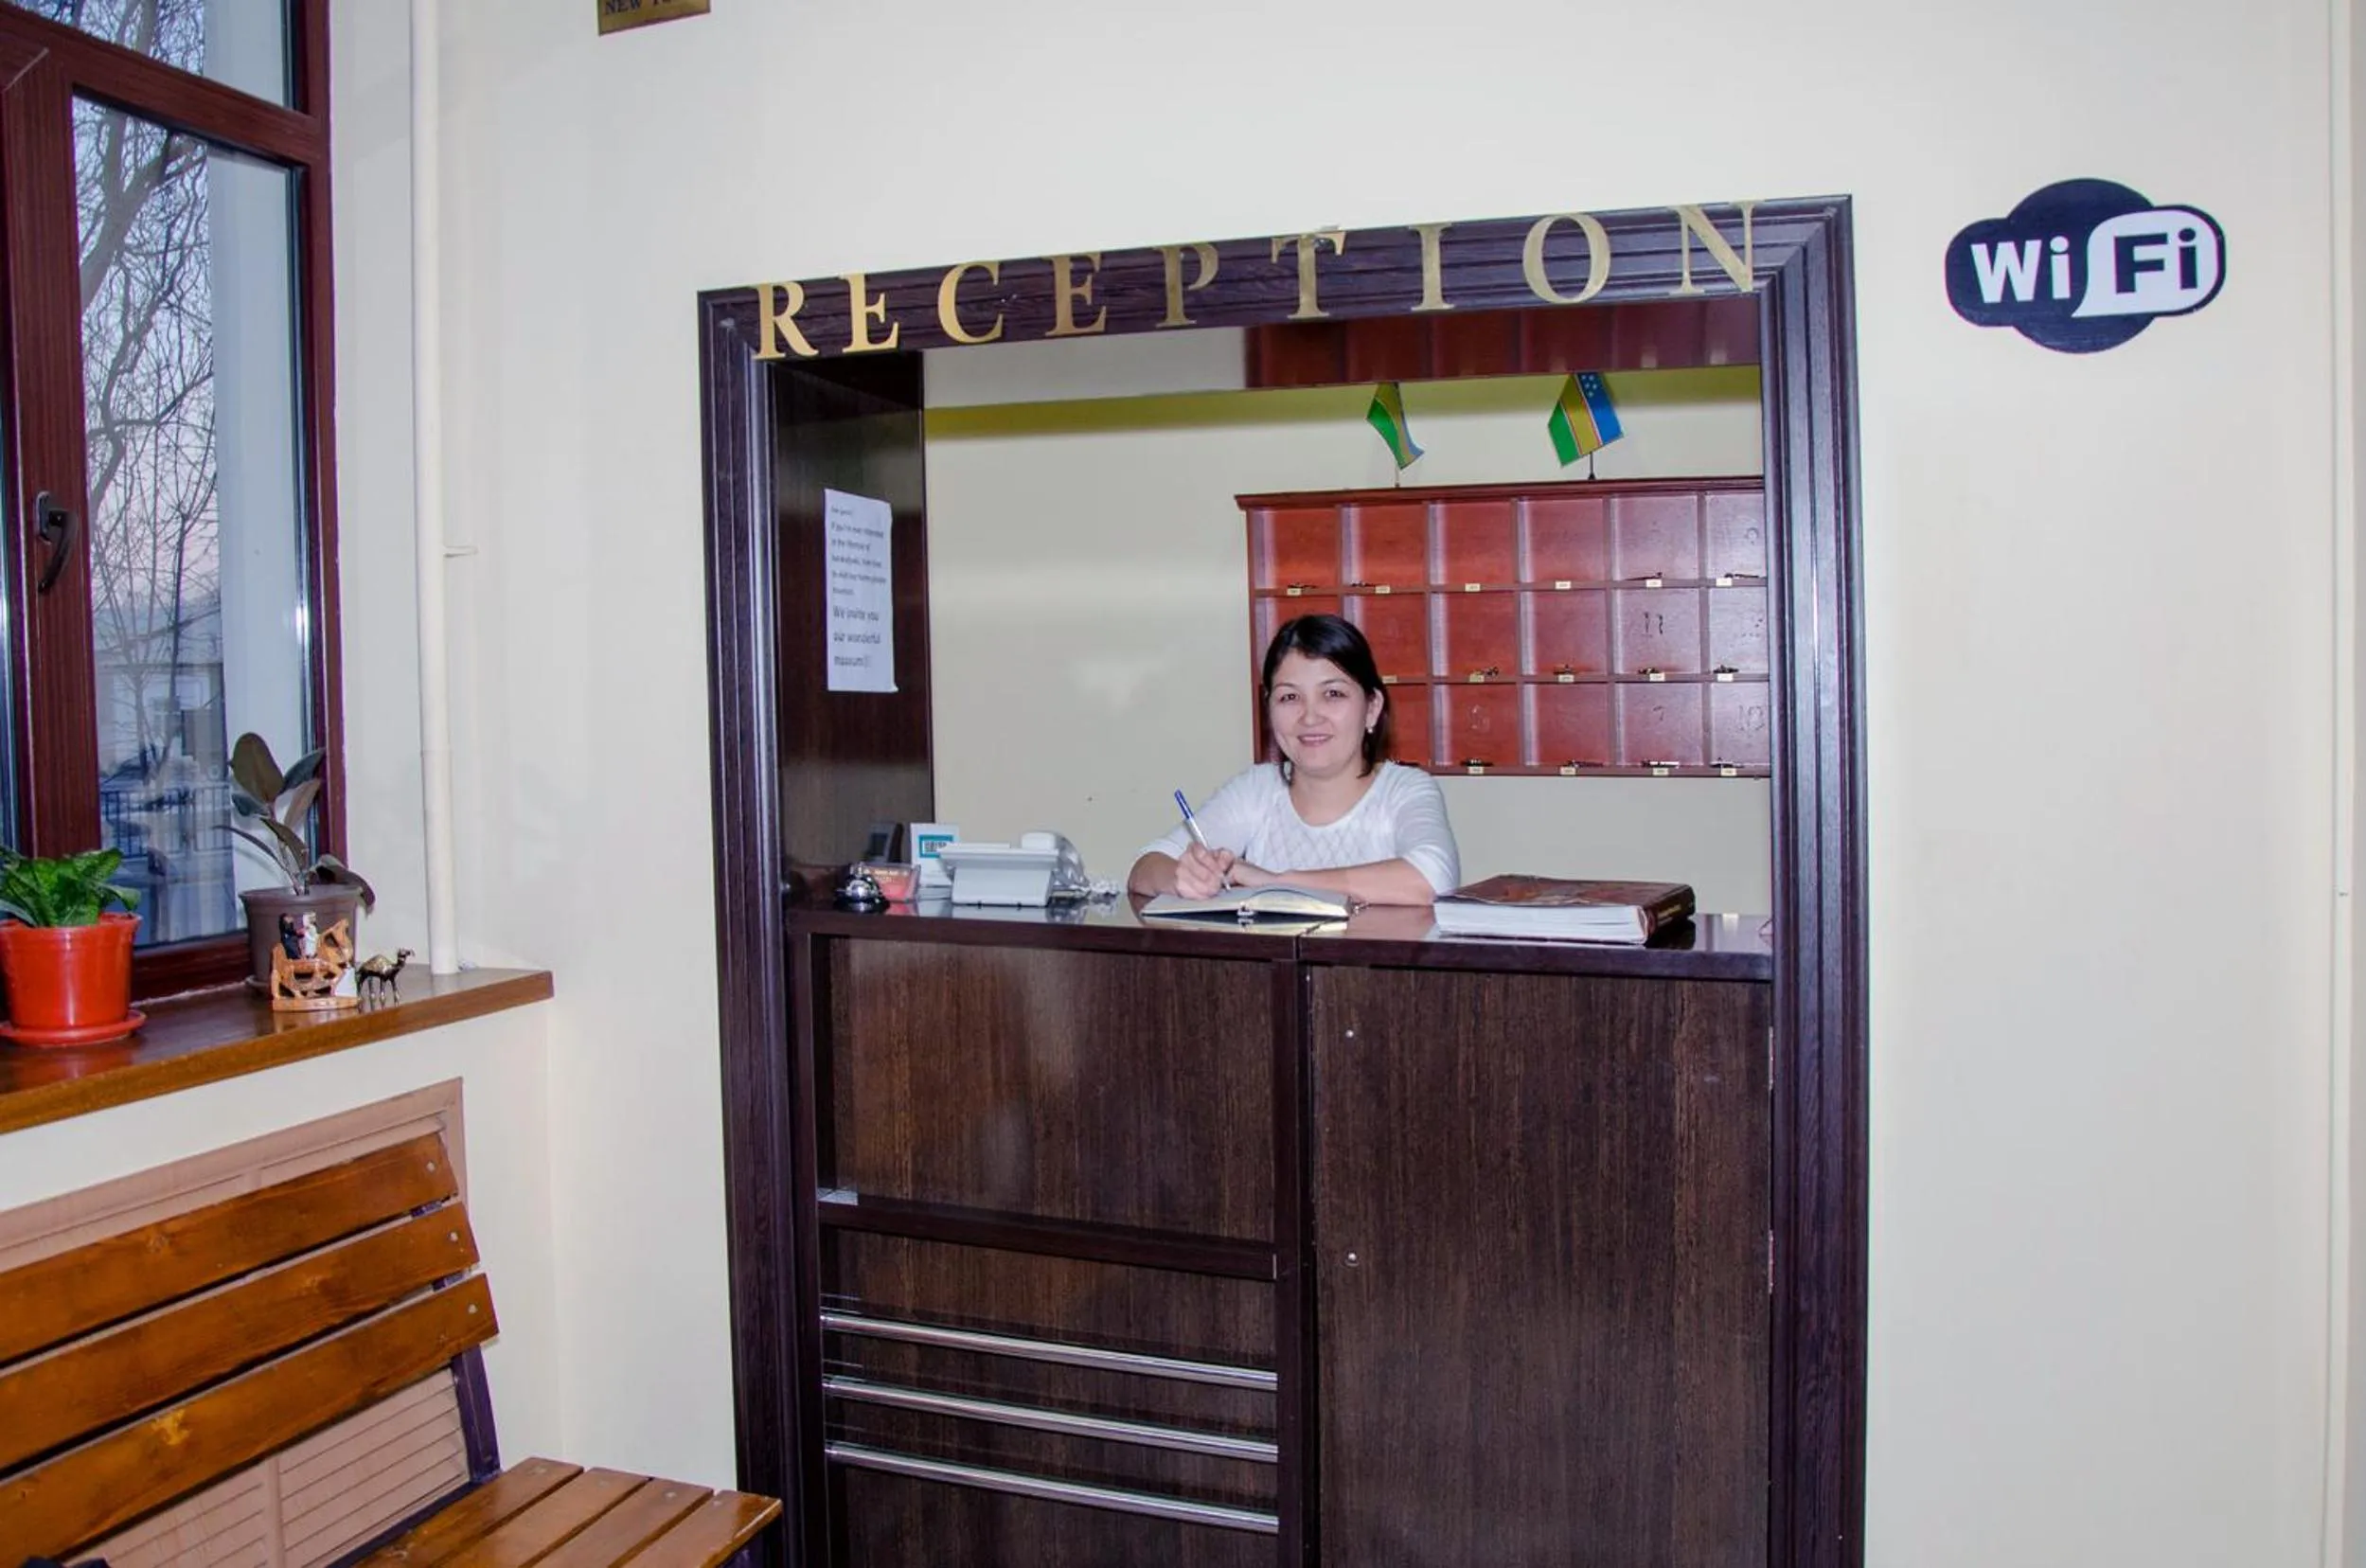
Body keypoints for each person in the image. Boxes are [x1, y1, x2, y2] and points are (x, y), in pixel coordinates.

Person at [1129, 614, 1460, 906]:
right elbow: (1145, 869)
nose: (1310, 717)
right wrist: (1182, 877)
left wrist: (1275, 882)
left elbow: (1432, 878)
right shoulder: (1256, 789)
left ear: (1372, 707)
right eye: (1290, 697)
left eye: (1333, 694)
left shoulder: (1405, 789)